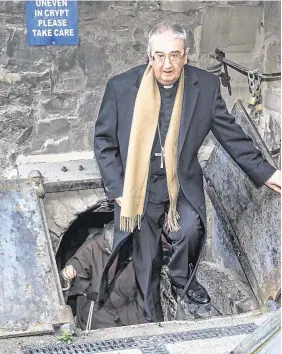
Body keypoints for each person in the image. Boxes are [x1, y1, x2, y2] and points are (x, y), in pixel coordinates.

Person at [94, 21, 281, 323]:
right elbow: (103, 141)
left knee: (191, 231)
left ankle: (182, 280)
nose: (167, 65)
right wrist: (117, 189)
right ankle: (152, 322)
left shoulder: (204, 86)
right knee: (147, 261)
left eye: (174, 55)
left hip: (179, 183)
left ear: (186, 56)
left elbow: (230, 135)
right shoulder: (120, 87)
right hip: (138, 187)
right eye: (160, 56)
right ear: (149, 55)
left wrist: (268, 173)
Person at [60, 222, 147, 330]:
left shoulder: (138, 246)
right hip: (99, 309)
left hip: (128, 307)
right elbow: (77, 264)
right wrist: (68, 271)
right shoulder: (92, 247)